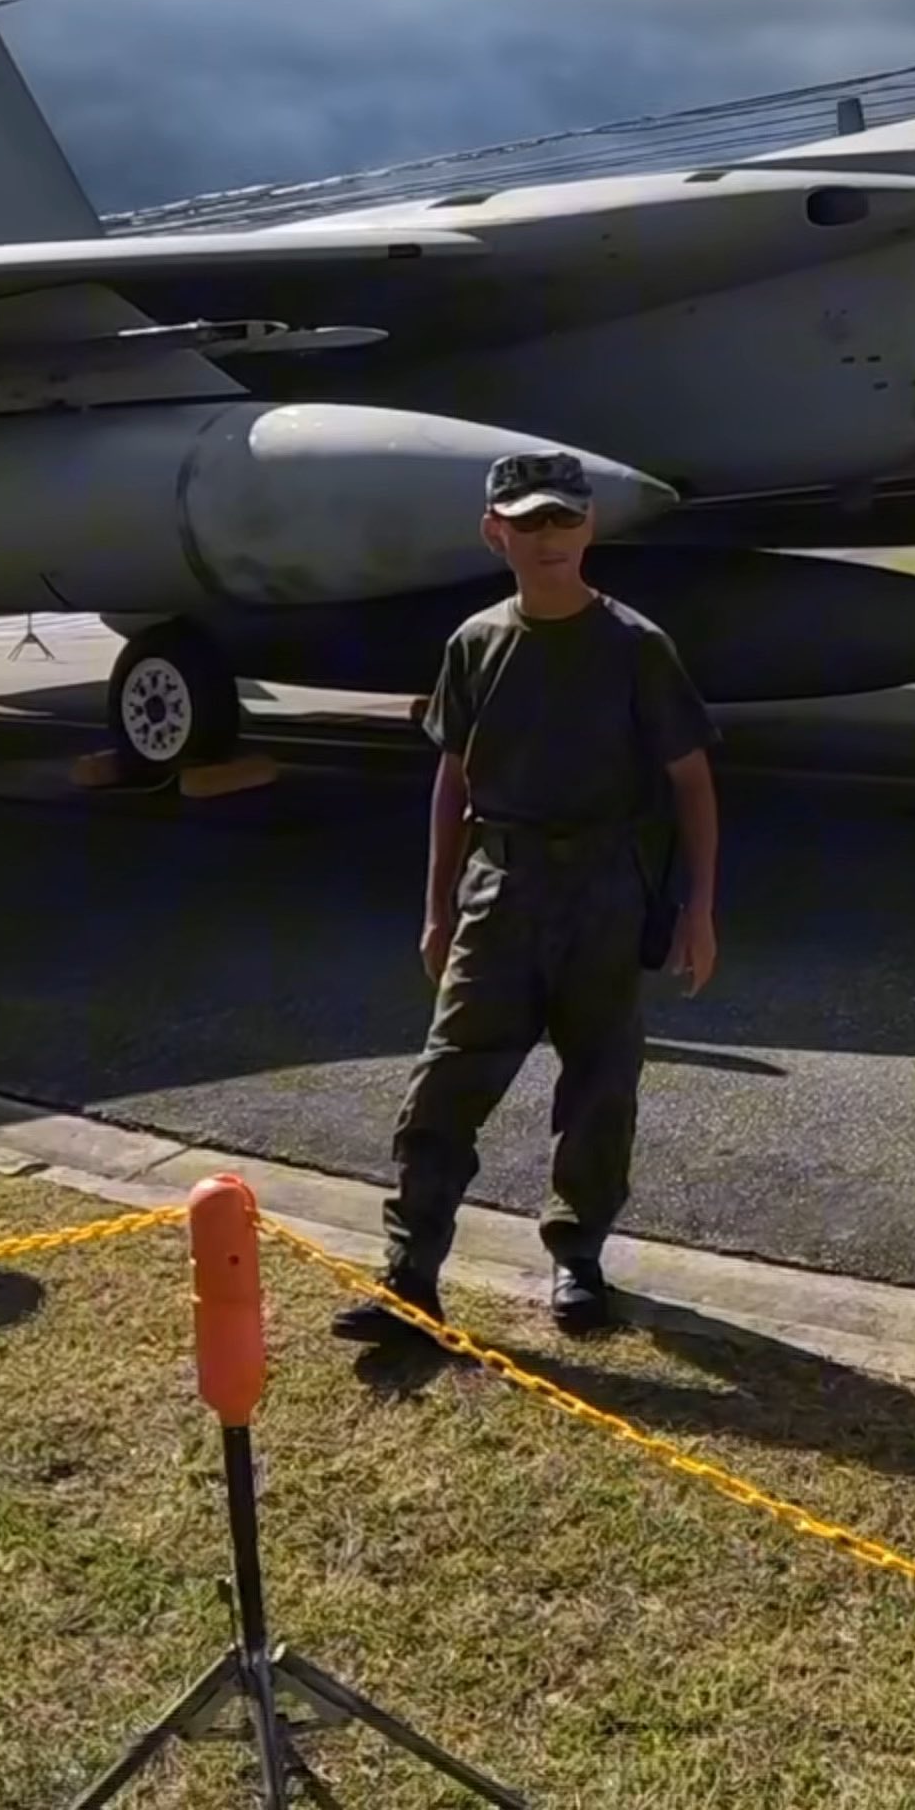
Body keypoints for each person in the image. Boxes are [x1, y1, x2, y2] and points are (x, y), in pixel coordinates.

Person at [335, 451, 719, 1346]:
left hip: (603, 894)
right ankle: (411, 1277)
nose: (547, 537)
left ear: (590, 528)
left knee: (599, 1086)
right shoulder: (475, 643)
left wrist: (698, 909)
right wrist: (437, 908)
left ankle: (577, 1260)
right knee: (444, 1086)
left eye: (564, 519)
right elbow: (451, 778)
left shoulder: (636, 647)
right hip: (498, 892)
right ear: (494, 532)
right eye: (528, 521)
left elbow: (693, 781)